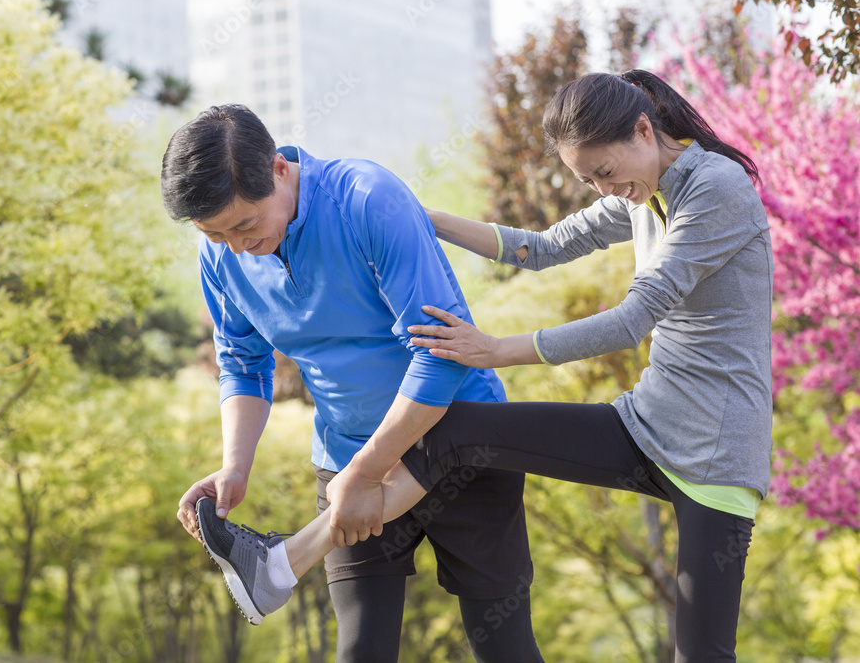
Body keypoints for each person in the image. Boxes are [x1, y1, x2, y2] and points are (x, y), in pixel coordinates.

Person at [194, 70, 773, 662]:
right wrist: (418, 216)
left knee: (701, 655)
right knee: (455, 431)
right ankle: (276, 568)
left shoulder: (713, 188)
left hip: (716, 450)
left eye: (603, 172)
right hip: (644, 425)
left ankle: (277, 566)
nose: (603, 190)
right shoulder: (645, 192)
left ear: (645, 130)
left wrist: (495, 349)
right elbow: (541, 248)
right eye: (587, 179)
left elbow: (632, 321)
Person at [162, 104, 541, 662]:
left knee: (503, 645)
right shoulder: (220, 255)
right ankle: (276, 565)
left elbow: (441, 356)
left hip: (461, 440)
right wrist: (234, 468)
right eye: (215, 234)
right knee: (360, 649)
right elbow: (243, 364)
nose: (237, 247)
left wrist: (366, 475)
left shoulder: (367, 198)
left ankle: (276, 566)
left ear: (278, 170)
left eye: (245, 224)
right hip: (345, 455)